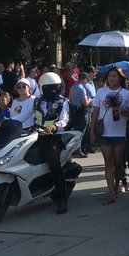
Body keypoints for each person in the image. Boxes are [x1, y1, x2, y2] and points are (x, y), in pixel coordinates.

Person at [90, 67, 129, 205]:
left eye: (114, 76)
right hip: (105, 133)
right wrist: (92, 131)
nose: (111, 79)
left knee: (118, 163)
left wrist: (122, 110)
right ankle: (111, 193)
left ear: (120, 78)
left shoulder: (127, 94)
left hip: (120, 133)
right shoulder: (101, 92)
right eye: (110, 76)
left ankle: (116, 186)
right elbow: (96, 113)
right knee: (108, 162)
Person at [33, 73, 70, 214]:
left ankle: (62, 200)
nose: (52, 91)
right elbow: (29, 117)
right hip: (36, 136)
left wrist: (54, 126)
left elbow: (64, 119)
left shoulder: (63, 102)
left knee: (55, 166)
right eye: (50, 88)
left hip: (53, 137)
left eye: (55, 88)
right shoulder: (37, 101)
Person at [67, 72, 91, 157]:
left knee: (75, 130)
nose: (87, 82)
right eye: (86, 80)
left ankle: (73, 149)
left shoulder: (72, 87)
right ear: (83, 79)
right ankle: (78, 149)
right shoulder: (82, 89)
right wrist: (90, 99)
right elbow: (85, 103)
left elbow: (69, 99)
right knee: (81, 131)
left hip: (73, 112)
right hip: (81, 112)